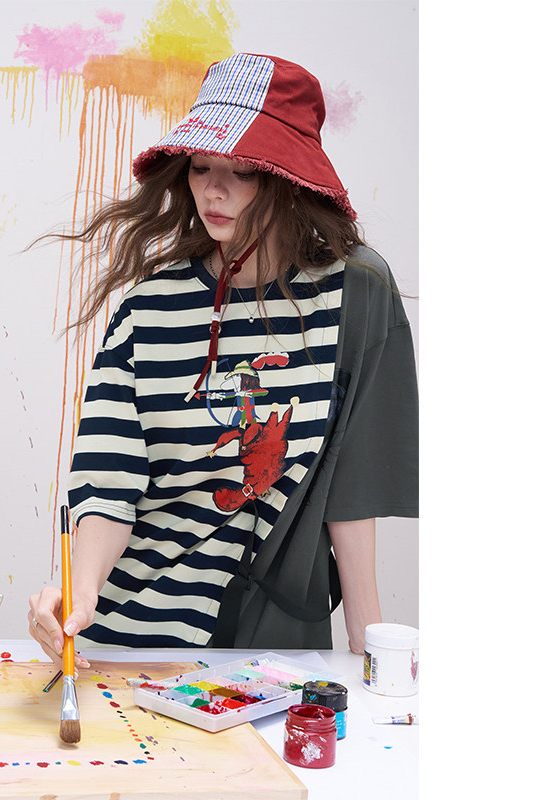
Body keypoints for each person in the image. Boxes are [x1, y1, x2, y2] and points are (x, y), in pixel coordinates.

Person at [28, 53, 418, 669]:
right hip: (138, 641)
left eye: (244, 172)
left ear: (291, 179)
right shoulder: (148, 311)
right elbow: (108, 482)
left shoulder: (354, 295)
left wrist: (370, 652)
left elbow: (352, 486)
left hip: (276, 655)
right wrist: (77, 592)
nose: (213, 190)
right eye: (201, 166)